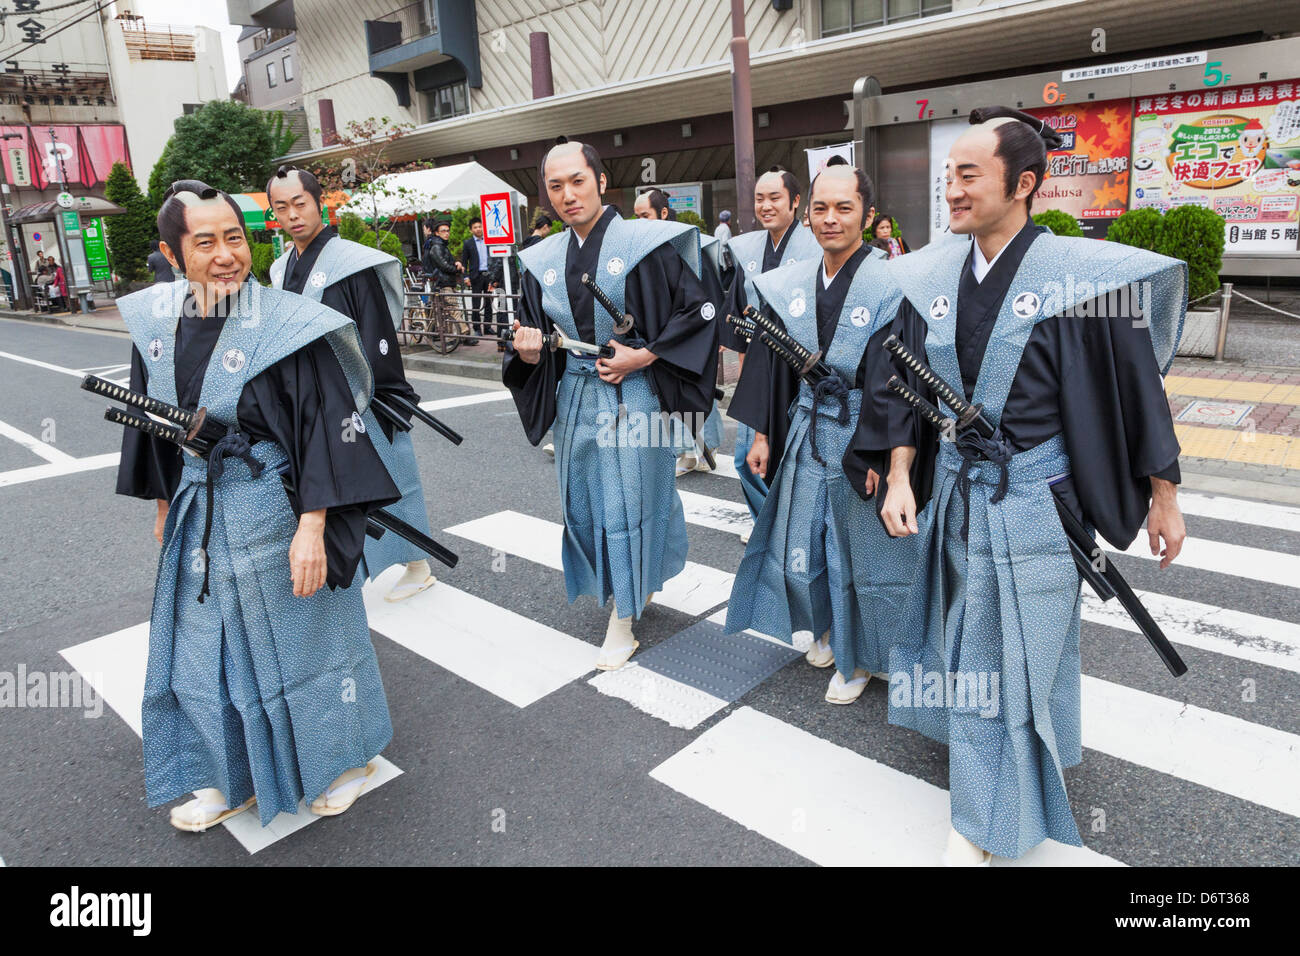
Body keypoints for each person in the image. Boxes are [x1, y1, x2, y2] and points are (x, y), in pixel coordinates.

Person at [854, 107, 1188, 865]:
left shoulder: (1082, 277)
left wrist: (1164, 494)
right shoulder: (934, 274)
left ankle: (980, 822)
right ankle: (1001, 776)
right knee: (972, 642)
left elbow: (1139, 389)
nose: (953, 191)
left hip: (1041, 498)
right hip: (961, 493)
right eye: (949, 177)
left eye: (968, 175)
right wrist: (902, 475)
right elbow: (900, 381)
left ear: (1025, 183)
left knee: (1018, 649)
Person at [114, 179, 400, 832]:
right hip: (201, 510)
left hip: (277, 505)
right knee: (205, 650)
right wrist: (164, 504)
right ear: (172, 250)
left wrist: (314, 525)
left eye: (235, 237)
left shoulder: (285, 325)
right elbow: (149, 419)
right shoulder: (156, 323)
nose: (225, 254)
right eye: (206, 241)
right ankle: (230, 774)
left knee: (309, 641)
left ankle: (346, 759)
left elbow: (327, 425)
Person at [504, 139, 716, 670]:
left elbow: (699, 313)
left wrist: (644, 356)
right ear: (545, 194)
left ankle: (623, 615)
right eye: (555, 186)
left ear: (601, 181)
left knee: (627, 502)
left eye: (577, 181)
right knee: (583, 503)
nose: (568, 194)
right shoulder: (543, 259)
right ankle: (630, 581)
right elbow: (536, 336)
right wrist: (528, 352)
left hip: (634, 394)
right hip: (575, 393)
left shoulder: (647, 243)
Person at [725, 159, 916, 705]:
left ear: (868, 214)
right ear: (808, 215)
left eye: (844, 208)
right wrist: (762, 434)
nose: (831, 219)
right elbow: (770, 362)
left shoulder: (892, 281)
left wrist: (885, 453)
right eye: (821, 209)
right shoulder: (791, 285)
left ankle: (860, 657)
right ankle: (830, 631)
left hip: (864, 428)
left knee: (860, 549)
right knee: (807, 538)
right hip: (808, 427)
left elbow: (897, 374)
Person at [267, 164, 438, 603]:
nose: (292, 215)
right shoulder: (282, 267)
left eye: (299, 203)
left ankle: (416, 563)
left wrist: (381, 396)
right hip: (312, 397)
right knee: (339, 486)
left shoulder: (352, 263)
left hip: (359, 394)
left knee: (390, 474)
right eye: (281, 207)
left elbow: (376, 334)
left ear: (318, 202)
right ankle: (373, 569)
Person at [721, 166, 823, 542]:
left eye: (774, 197)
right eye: (759, 198)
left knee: (790, 457)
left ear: (796, 202)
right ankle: (770, 522)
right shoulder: (747, 248)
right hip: (758, 369)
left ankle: (786, 528)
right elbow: (735, 309)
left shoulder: (815, 247)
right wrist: (738, 368)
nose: (765, 205)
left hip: (800, 370)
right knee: (745, 460)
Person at [635, 188, 721, 475]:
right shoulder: (650, 247)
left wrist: (714, 329)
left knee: (696, 382)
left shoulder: (685, 243)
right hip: (674, 328)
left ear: (662, 213)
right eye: (635, 217)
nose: (639, 222)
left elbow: (707, 290)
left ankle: (696, 446)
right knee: (687, 385)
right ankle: (697, 446)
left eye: (644, 215)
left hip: (693, 325)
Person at [461, 215, 495, 337]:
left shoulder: (489, 241)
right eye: (475, 227)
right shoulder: (468, 243)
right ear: (471, 230)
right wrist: (465, 277)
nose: (478, 229)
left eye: (480, 226)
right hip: (476, 277)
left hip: (489, 276)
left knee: (488, 303)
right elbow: (464, 262)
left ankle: (487, 327)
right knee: (476, 304)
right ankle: (476, 328)